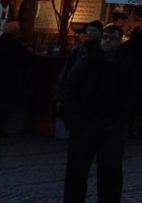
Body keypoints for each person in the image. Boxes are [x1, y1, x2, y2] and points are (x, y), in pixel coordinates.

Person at [56, 23, 136, 203]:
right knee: (77, 171)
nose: (107, 41)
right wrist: (74, 118)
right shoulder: (86, 60)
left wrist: (122, 119)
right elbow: (70, 87)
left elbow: (131, 92)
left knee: (110, 172)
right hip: (85, 123)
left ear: (119, 42)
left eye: (112, 38)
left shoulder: (125, 63)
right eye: (105, 37)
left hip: (112, 125)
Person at [0, 21, 29, 136]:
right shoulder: (17, 46)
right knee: (3, 104)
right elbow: (24, 63)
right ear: (16, 33)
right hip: (8, 79)